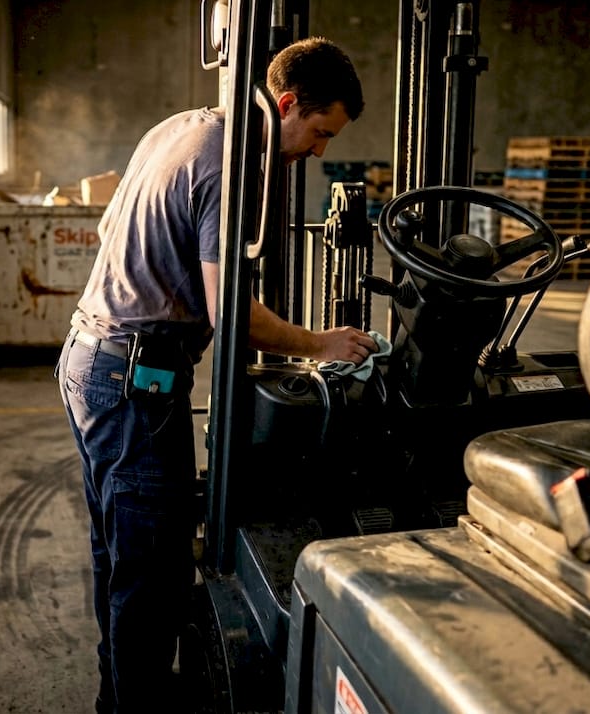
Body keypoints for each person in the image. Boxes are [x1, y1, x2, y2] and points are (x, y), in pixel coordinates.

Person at [55, 37, 374, 714]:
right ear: (286, 105)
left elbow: (124, 231)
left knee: (120, 557)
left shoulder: (183, 126)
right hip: (132, 384)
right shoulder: (233, 167)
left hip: (91, 362)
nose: (318, 152)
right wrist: (321, 345)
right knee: (154, 575)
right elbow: (229, 313)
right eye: (319, 133)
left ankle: (121, 697)